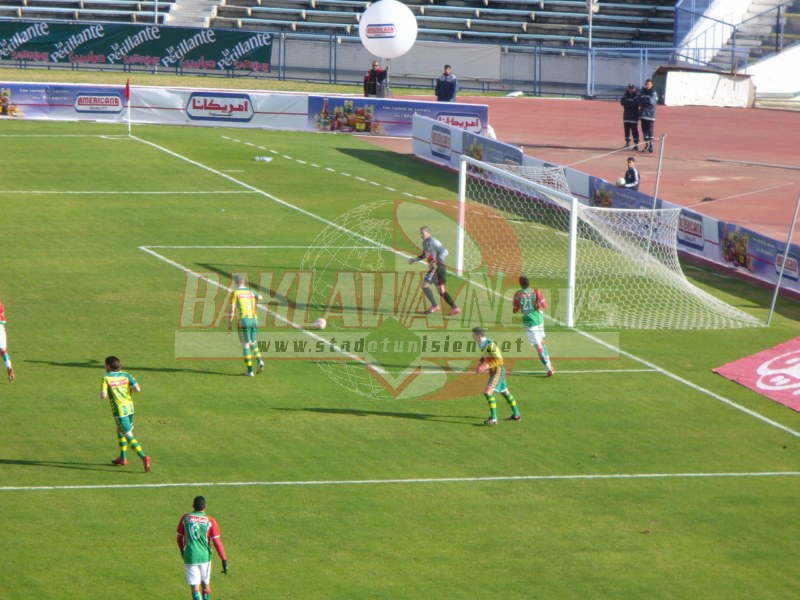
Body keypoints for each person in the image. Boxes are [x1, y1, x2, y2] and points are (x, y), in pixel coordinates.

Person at [101, 356, 151, 472]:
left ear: (108, 366)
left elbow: (103, 396)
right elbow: (137, 389)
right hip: (129, 408)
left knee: (128, 435)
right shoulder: (127, 375)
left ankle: (144, 457)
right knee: (119, 430)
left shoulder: (106, 378)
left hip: (119, 412)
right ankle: (122, 458)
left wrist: (109, 392)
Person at [177, 496, 228, 600]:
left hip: (190, 556)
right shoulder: (211, 521)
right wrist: (224, 559)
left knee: (195, 589)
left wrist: (182, 550)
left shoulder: (185, 518)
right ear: (205, 507)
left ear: (193, 506)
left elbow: (179, 538)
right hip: (205, 557)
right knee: (205, 585)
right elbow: (217, 542)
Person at [472, 327, 521, 425]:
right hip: (493, 371)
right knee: (505, 392)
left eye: (473, 335)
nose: (472, 336)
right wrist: (479, 363)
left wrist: (486, 366)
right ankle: (517, 415)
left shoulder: (490, 345)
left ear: (479, 335)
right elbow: (485, 355)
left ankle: (494, 418)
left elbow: (500, 360)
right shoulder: (480, 343)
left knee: (487, 392)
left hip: (498, 370)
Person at [408, 226, 461, 316]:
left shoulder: (433, 241)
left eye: (422, 233)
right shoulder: (425, 243)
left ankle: (435, 306)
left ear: (428, 233)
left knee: (424, 285)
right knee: (441, 291)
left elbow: (445, 252)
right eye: (420, 233)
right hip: (437, 268)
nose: (421, 235)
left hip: (437, 267)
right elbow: (425, 255)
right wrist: (415, 259)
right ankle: (455, 308)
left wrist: (434, 261)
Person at [513, 277, 554, 377]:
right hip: (539, 319)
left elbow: (515, 310)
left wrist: (522, 305)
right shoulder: (536, 291)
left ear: (520, 284)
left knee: (538, 346)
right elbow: (544, 305)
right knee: (542, 341)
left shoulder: (517, 294)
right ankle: (550, 364)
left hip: (529, 322)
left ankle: (549, 368)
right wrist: (537, 305)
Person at [227, 275, 264, 377]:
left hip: (244, 320)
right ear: (244, 282)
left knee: (245, 344)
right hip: (254, 319)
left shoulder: (235, 293)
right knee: (252, 341)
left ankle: (250, 371)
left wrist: (230, 322)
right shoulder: (250, 291)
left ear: (235, 282)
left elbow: (232, 308)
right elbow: (260, 297)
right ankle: (260, 361)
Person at [638, 78, 658, 153]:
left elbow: (651, 102)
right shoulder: (642, 92)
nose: (647, 85)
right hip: (643, 114)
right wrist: (643, 101)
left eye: (648, 84)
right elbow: (639, 102)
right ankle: (647, 145)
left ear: (651, 85)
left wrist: (643, 101)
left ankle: (651, 146)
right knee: (644, 131)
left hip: (650, 114)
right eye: (646, 84)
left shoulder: (653, 92)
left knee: (650, 130)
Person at [620, 83, 640, 151]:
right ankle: (627, 143)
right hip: (626, 115)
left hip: (634, 115)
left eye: (632, 88)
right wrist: (629, 104)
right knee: (626, 130)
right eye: (630, 88)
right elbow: (622, 102)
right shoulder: (625, 95)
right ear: (628, 89)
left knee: (634, 130)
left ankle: (636, 144)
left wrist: (628, 104)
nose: (631, 90)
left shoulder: (636, 96)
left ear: (634, 89)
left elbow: (636, 104)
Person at [0, 300, 15, 382]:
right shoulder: (1, 305)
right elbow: (3, 320)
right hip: (1, 329)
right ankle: (9, 366)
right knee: (3, 351)